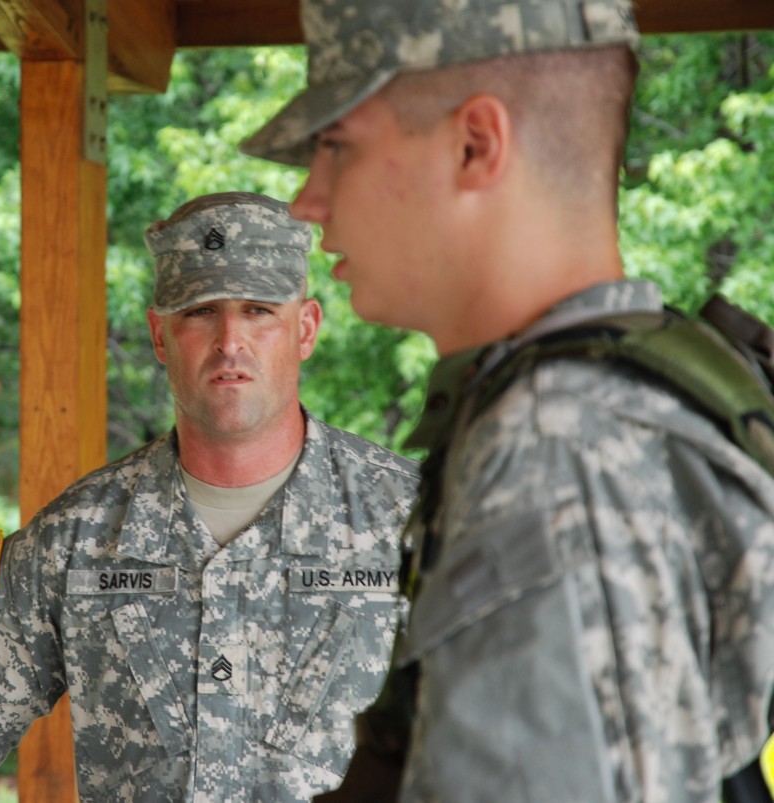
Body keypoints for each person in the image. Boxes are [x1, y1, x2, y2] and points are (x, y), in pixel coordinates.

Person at [240, 1, 774, 801]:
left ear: (475, 144)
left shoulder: (558, 445)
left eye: (335, 146)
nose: (306, 203)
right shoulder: (612, 397)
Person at [0, 191, 419, 801]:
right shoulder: (78, 539)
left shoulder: (410, 520)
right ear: (159, 334)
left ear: (305, 328)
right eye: (200, 312)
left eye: (258, 311)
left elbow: (509, 729)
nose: (230, 341)